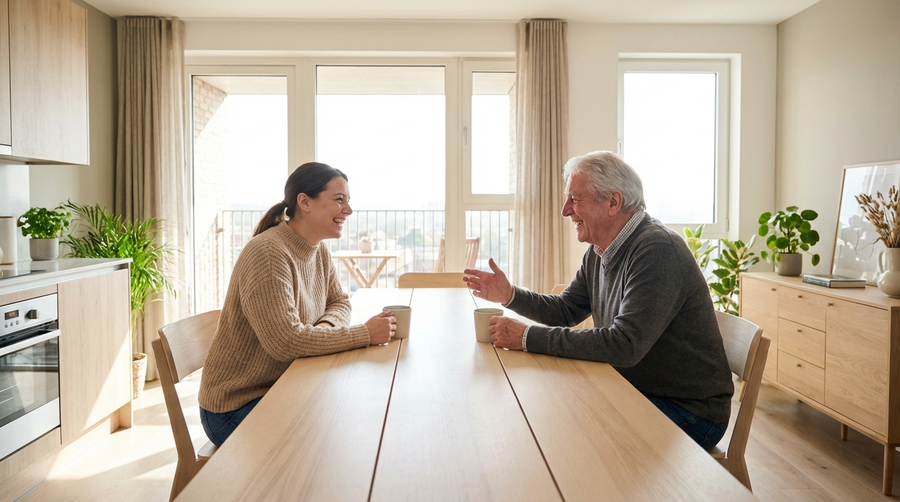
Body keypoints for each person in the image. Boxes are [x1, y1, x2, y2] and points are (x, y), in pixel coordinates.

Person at [463, 151, 734, 449]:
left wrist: (526, 337)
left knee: (576, 434)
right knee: (555, 414)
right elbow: (565, 310)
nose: (565, 210)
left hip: (690, 409)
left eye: (575, 198)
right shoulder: (600, 250)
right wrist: (509, 295)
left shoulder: (657, 249)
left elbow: (624, 345)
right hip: (634, 387)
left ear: (613, 202)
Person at [198, 162, 395, 446]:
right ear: (305, 202)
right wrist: (364, 334)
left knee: (353, 417)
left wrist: (323, 330)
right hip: (236, 406)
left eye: (348, 201)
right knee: (336, 433)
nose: (348, 210)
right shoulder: (268, 253)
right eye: (339, 200)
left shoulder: (318, 249)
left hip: (288, 383)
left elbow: (340, 302)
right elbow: (286, 342)